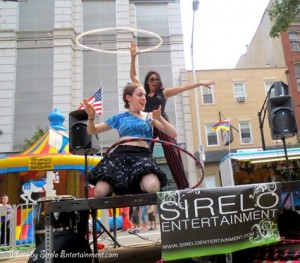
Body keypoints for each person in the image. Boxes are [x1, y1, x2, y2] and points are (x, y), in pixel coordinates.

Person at [129, 42, 215, 189]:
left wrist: (200, 83)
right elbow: (133, 76)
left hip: (161, 121)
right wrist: (133, 57)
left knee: (171, 151)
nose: (155, 81)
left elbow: (183, 88)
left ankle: (182, 185)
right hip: (149, 123)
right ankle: (138, 184)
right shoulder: (142, 90)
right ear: (148, 81)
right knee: (142, 151)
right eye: (152, 79)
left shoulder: (164, 92)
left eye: (157, 79)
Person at [83, 83, 178, 197]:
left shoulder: (150, 116)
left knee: (153, 186)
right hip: (120, 155)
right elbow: (92, 131)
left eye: (144, 95)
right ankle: (116, 187)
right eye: (139, 95)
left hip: (142, 155)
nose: (144, 98)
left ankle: (139, 186)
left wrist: (160, 118)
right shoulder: (119, 118)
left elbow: (173, 133)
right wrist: (91, 117)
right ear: (129, 98)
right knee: (99, 192)